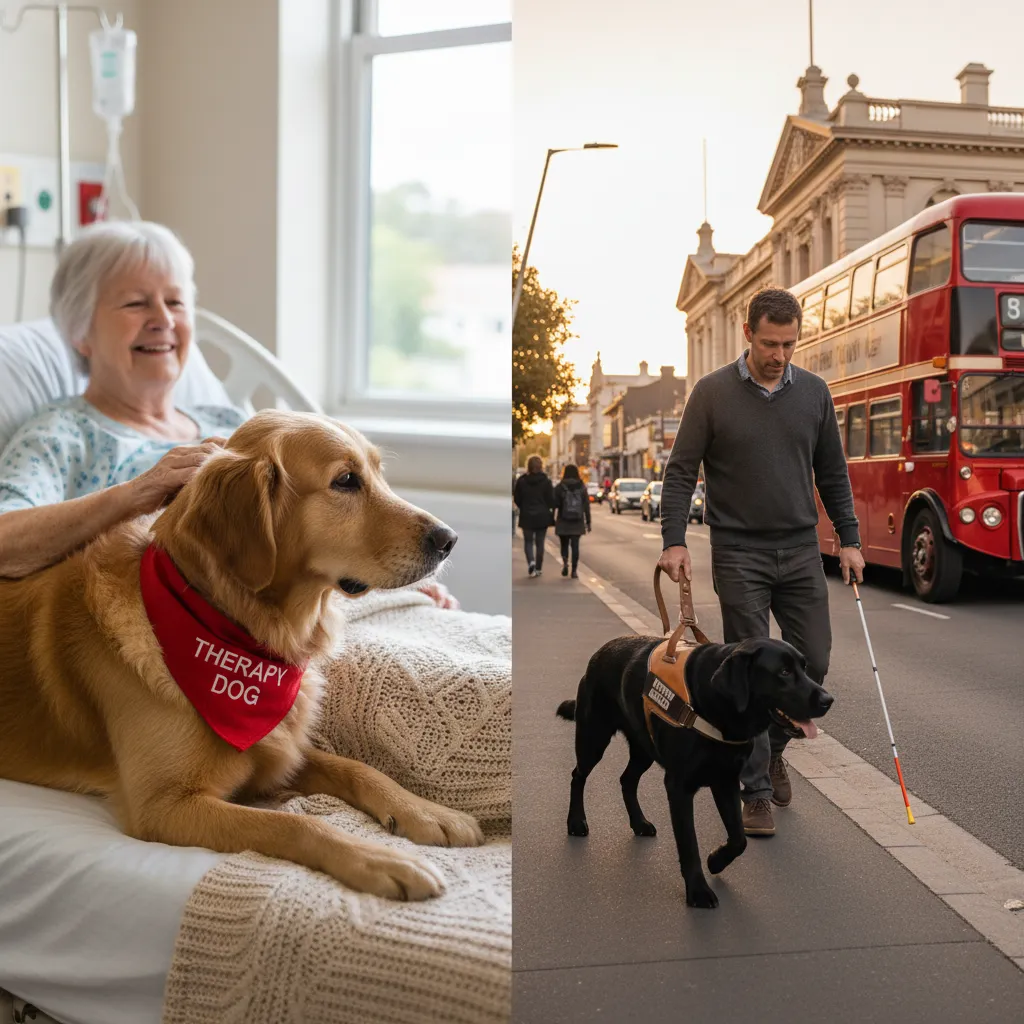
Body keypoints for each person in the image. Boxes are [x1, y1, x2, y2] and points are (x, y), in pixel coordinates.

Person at [0, 221, 457, 610]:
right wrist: (135, 494)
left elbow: (297, 543)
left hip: (320, 620)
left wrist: (392, 578)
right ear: (81, 331)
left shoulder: (227, 420)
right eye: (136, 303)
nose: (163, 319)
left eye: (176, 302)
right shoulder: (59, 436)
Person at [657, 286, 865, 838]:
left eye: (790, 344)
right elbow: (680, 472)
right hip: (738, 551)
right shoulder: (711, 393)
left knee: (812, 660)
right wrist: (674, 539)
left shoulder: (815, 394)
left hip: (801, 550)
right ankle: (755, 792)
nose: (780, 355)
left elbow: (833, 472)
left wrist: (849, 538)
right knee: (748, 677)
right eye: (770, 343)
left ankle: (774, 749)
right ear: (747, 333)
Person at [513, 455, 554, 577]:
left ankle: (531, 562)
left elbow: (517, 498)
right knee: (540, 542)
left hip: (527, 515)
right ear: (541, 466)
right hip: (542, 516)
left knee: (528, 541)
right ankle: (539, 568)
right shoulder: (546, 481)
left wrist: (523, 507)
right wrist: (547, 508)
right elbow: (551, 499)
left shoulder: (522, 480)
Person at [552, 463, 591, 578]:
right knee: (575, 546)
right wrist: (588, 521)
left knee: (564, 544)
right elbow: (586, 506)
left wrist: (552, 518)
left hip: (563, 520)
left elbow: (554, 504)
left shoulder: (560, 486)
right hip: (577, 521)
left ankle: (565, 563)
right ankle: (574, 570)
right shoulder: (581, 486)